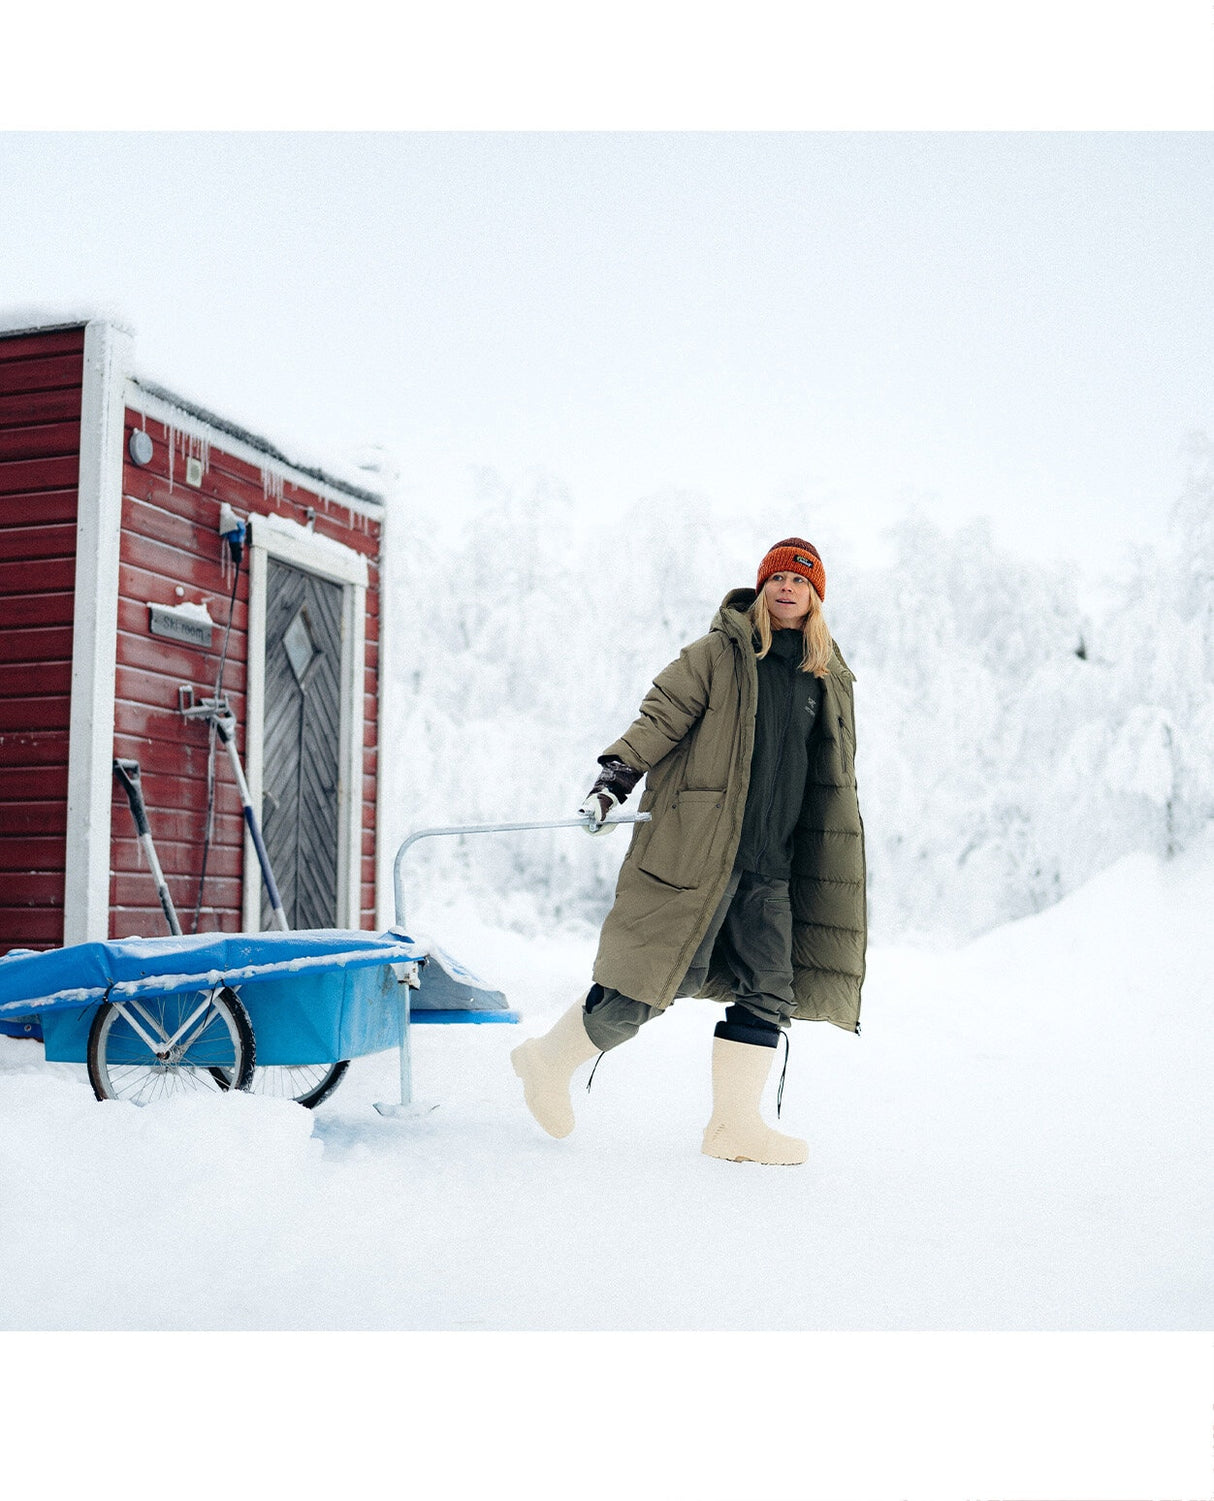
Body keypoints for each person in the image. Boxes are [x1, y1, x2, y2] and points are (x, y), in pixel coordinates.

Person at [510, 538, 866, 1165]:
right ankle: (547, 1059)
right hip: (701, 853)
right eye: (777, 578)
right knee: (652, 981)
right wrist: (611, 783)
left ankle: (733, 1127)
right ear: (761, 590)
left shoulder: (824, 677)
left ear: (815, 599)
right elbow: (660, 717)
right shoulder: (717, 657)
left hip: (774, 865)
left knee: (770, 990)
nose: (787, 589)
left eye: (801, 582)